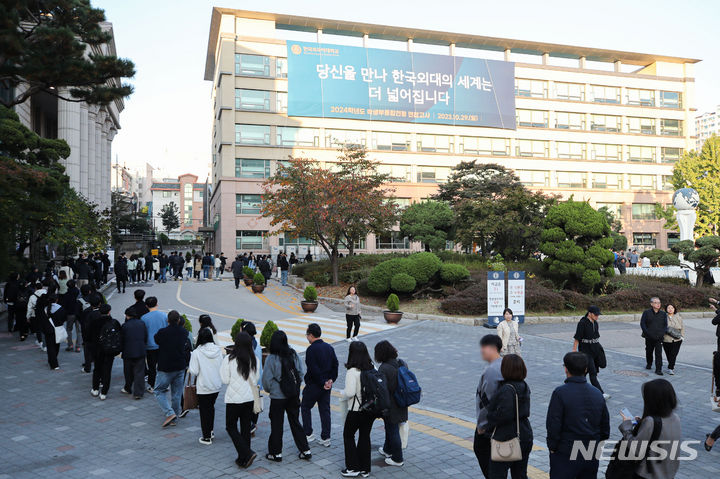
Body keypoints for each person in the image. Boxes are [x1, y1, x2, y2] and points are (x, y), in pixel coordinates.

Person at [546, 352, 609, 479]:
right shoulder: (597, 393)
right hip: (590, 451)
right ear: (586, 369)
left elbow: (553, 423)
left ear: (566, 368)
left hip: (566, 450)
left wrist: (552, 447)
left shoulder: (560, 393)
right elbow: (605, 427)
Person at [261, 330, 311, 462]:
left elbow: (266, 380)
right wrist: (294, 386)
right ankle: (305, 450)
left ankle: (276, 453)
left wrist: (271, 389)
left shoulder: (271, 358)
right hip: (293, 395)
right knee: (295, 422)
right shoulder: (293, 354)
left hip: (277, 397)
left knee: (277, 424)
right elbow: (301, 373)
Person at [619, 379, 680, 479]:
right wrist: (641, 424)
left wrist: (627, 426)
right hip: (668, 473)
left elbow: (636, 450)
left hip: (648, 474)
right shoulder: (675, 418)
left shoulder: (650, 422)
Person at [486, 354, 533, 479]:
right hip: (524, 434)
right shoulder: (524, 386)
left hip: (507, 437)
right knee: (520, 473)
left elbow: (504, 415)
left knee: (497, 474)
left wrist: (490, 418)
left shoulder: (507, 389)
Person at [220, 331, 259, 467]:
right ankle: (244, 457)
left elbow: (224, 379)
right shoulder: (254, 359)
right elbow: (256, 378)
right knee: (245, 427)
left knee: (230, 426)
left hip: (233, 399)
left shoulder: (229, 359)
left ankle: (246, 453)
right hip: (249, 398)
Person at [340, 340, 375, 477]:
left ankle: (353, 468)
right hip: (370, 409)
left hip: (356, 410)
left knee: (348, 436)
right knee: (365, 436)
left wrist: (342, 393)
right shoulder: (372, 367)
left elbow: (349, 392)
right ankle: (365, 469)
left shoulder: (352, 371)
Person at [301, 323, 339, 448]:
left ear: (311, 335)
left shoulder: (311, 349)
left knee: (305, 407)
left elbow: (313, 369)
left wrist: (322, 382)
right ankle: (326, 437)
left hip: (314, 385)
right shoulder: (329, 347)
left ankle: (308, 433)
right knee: (325, 410)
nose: (307, 337)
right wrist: (330, 380)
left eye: (307, 334)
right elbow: (335, 365)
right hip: (327, 385)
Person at [153, 310, 192, 427]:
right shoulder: (184, 332)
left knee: (158, 391)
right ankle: (174, 419)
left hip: (165, 367)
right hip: (180, 366)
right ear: (179, 320)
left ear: (167, 320)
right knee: (176, 394)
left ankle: (170, 413)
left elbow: (156, 340)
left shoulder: (162, 332)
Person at [475, 334, 504, 478]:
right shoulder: (504, 363)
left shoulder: (492, 370)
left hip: (489, 426)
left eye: (483, 347)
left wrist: (482, 426)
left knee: (483, 452)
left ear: (492, 348)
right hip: (501, 422)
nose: (481, 351)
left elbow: (486, 401)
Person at [375, 340, 408, 467]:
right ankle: (387, 449)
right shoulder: (400, 363)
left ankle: (397, 458)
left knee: (392, 429)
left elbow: (383, 389)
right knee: (390, 427)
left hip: (391, 403)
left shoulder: (384, 368)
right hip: (401, 401)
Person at [190, 328, 224, 445]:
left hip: (204, 386)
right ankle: (210, 431)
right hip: (216, 385)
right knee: (210, 407)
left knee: (204, 411)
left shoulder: (196, 353)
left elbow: (194, 371)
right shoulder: (218, 350)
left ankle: (206, 437)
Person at [572, 305, 609, 399]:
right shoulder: (582, 323)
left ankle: (573, 382)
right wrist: (574, 351)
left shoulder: (595, 323)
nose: (597, 316)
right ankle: (601, 393)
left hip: (596, 349)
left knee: (588, 370)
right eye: (595, 315)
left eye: (598, 315)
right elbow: (577, 338)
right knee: (592, 372)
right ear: (590, 313)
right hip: (585, 350)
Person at [90, 304, 122, 400]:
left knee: (97, 369)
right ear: (109, 311)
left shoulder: (94, 323)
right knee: (107, 370)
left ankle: (95, 389)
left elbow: (88, 336)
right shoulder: (114, 322)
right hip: (109, 350)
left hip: (97, 349)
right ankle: (104, 392)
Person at [141, 297, 168, 392]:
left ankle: (152, 386)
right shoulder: (164, 316)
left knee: (152, 367)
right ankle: (164, 385)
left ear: (146, 306)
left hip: (150, 346)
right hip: (162, 345)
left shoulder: (144, 318)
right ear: (157, 304)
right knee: (163, 366)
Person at [121, 307, 148, 399]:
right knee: (139, 372)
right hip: (140, 351)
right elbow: (145, 336)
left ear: (127, 316)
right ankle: (138, 393)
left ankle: (128, 388)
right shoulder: (142, 323)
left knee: (128, 371)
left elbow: (122, 340)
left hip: (128, 352)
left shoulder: (125, 326)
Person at [242, 321, 263, 435]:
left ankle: (250, 426)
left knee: (249, 404)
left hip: (251, 379)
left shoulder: (248, 346)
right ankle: (253, 424)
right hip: (258, 378)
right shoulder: (257, 344)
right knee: (255, 402)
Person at [640, 297, 667, 375]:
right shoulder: (646, 312)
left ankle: (658, 369)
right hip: (649, 336)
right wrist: (647, 333)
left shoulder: (663, 314)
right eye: (655, 303)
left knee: (658, 353)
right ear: (651, 304)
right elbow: (642, 324)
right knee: (649, 351)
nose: (658, 304)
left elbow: (665, 325)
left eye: (659, 303)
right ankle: (649, 363)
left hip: (659, 337)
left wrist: (662, 333)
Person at [42, 294, 66, 370]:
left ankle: (53, 362)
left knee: (50, 347)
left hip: (48, 330)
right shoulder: (60, 308)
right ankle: (53, 360)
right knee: (56, 346)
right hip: (58, 329)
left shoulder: (45, 309)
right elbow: (64, 318)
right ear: (57, 300)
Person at [80, 292, 102, 373]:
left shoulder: (86, 311)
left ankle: (87, 367)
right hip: (99, 337)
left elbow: (83, 324)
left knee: (87, 352)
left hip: (88, 336)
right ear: (99, 303)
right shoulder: (102, 311)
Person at [662, 303, 684, 375]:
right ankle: (670, 365)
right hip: (666, 339)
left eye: (672, 308)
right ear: (666, 309)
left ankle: (671, 368)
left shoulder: (678, 317)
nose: (670, 309)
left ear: (674, 309)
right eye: (668, 308)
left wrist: (682, 336)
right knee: (668, 354)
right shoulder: (663, 317)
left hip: (677, 339)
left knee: (673, 354)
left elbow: (682, 327)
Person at [28, 279, 49, 350]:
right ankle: (47, 344)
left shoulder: (32, 296)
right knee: (45, 329)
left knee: (38, 329)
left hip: (36, 314)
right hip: (46, 314)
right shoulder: (47, 293)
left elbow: (29, 307)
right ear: (42, 287)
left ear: (35, 288)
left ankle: (41, 343)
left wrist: (28, 316)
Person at [61, 279, 82, 352]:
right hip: (79, 314)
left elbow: (64, 306)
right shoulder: (79, 293)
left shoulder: (66, 295)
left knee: (69, 330)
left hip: (70, 314)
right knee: (79, 331)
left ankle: (70, 345)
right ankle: (78, 346)